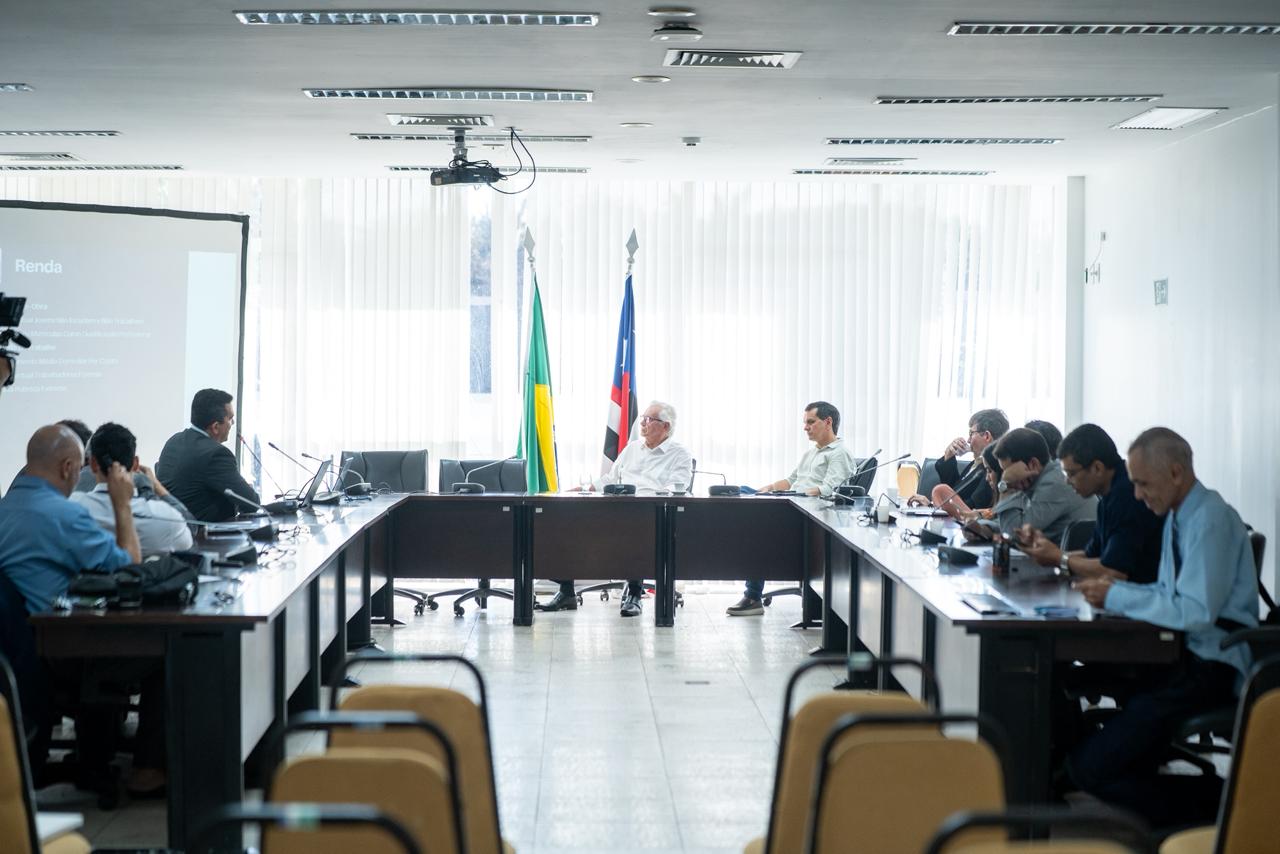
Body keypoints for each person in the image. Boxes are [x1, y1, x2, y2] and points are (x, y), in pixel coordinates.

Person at [1067, 428, 1258, 828]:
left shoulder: (1209, 520)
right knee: (1080, 687)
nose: (1137, 495)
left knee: (1091, 769)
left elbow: (1193, 610)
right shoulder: (1179, 516)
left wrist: (1116, 596)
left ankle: (1228, 806)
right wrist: (1112, 590)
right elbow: (1165, 591)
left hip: (1210, 666)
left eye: (1142, 483)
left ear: (1175, 472)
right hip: (1178, 658)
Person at [539, 401, 694, 618]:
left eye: (650, 420)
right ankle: (566, 592)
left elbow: (678, 487)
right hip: (615, 507)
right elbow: (610, 479)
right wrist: (583, 488)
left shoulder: (679, 454)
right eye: (643, 419)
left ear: (666, 426)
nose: (643, 424)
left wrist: (647, 498)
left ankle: (634, 593)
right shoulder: (632, 449)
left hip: (650, 515)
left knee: (633, 529)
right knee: (563, 520)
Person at [727, 401, 854, 617]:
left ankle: (753, 596)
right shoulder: (812, 452)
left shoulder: (838, 453)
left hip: (806, 514)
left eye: (811, 422)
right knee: (739, 492)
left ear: (828, 422)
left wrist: (795, 494)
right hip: (789, 502)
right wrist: (767, 489)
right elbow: (791, 479)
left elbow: (830, 490)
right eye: (805, 423)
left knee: (756, 532)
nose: (805, 427)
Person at [1018, 423, 1163, 584]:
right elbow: (1093, 555)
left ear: (1097, 468)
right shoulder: (1107, 496)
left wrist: (1059, 558)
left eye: (1072, 473)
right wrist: (1044, 552)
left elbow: (1114, 571)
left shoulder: (1127, 496)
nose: (1067, 481)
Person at [72, 422, 195, 555]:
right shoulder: (165, 517)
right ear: (135, 464)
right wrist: (156, 485)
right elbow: (191, 529)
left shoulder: (71, 508)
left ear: (93, 464)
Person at [975, 427, 1095, 543]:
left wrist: (1005, 485)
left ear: (1033, 464)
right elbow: (1015, 522)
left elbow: (1013, 533)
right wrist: (985, 527)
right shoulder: (1036, 478)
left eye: (1009, 471)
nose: (1006, 475)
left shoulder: (1054, 483)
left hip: (1074, 560)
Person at [156, 388, 258, 522]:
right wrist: (243, 489)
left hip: (173, 531)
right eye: (230, 419)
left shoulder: (174, 441)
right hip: (204, 537)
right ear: (215, 427)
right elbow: (251, 503)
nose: (232, 423)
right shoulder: (216, 454)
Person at [920, 408, 1009, 517]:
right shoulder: (976, 463)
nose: (968, 440)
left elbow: (970, 507)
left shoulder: (993, 469)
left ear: (986, 436)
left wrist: (930, 505)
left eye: (971, 433)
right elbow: (954, 491)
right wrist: (949, 456)